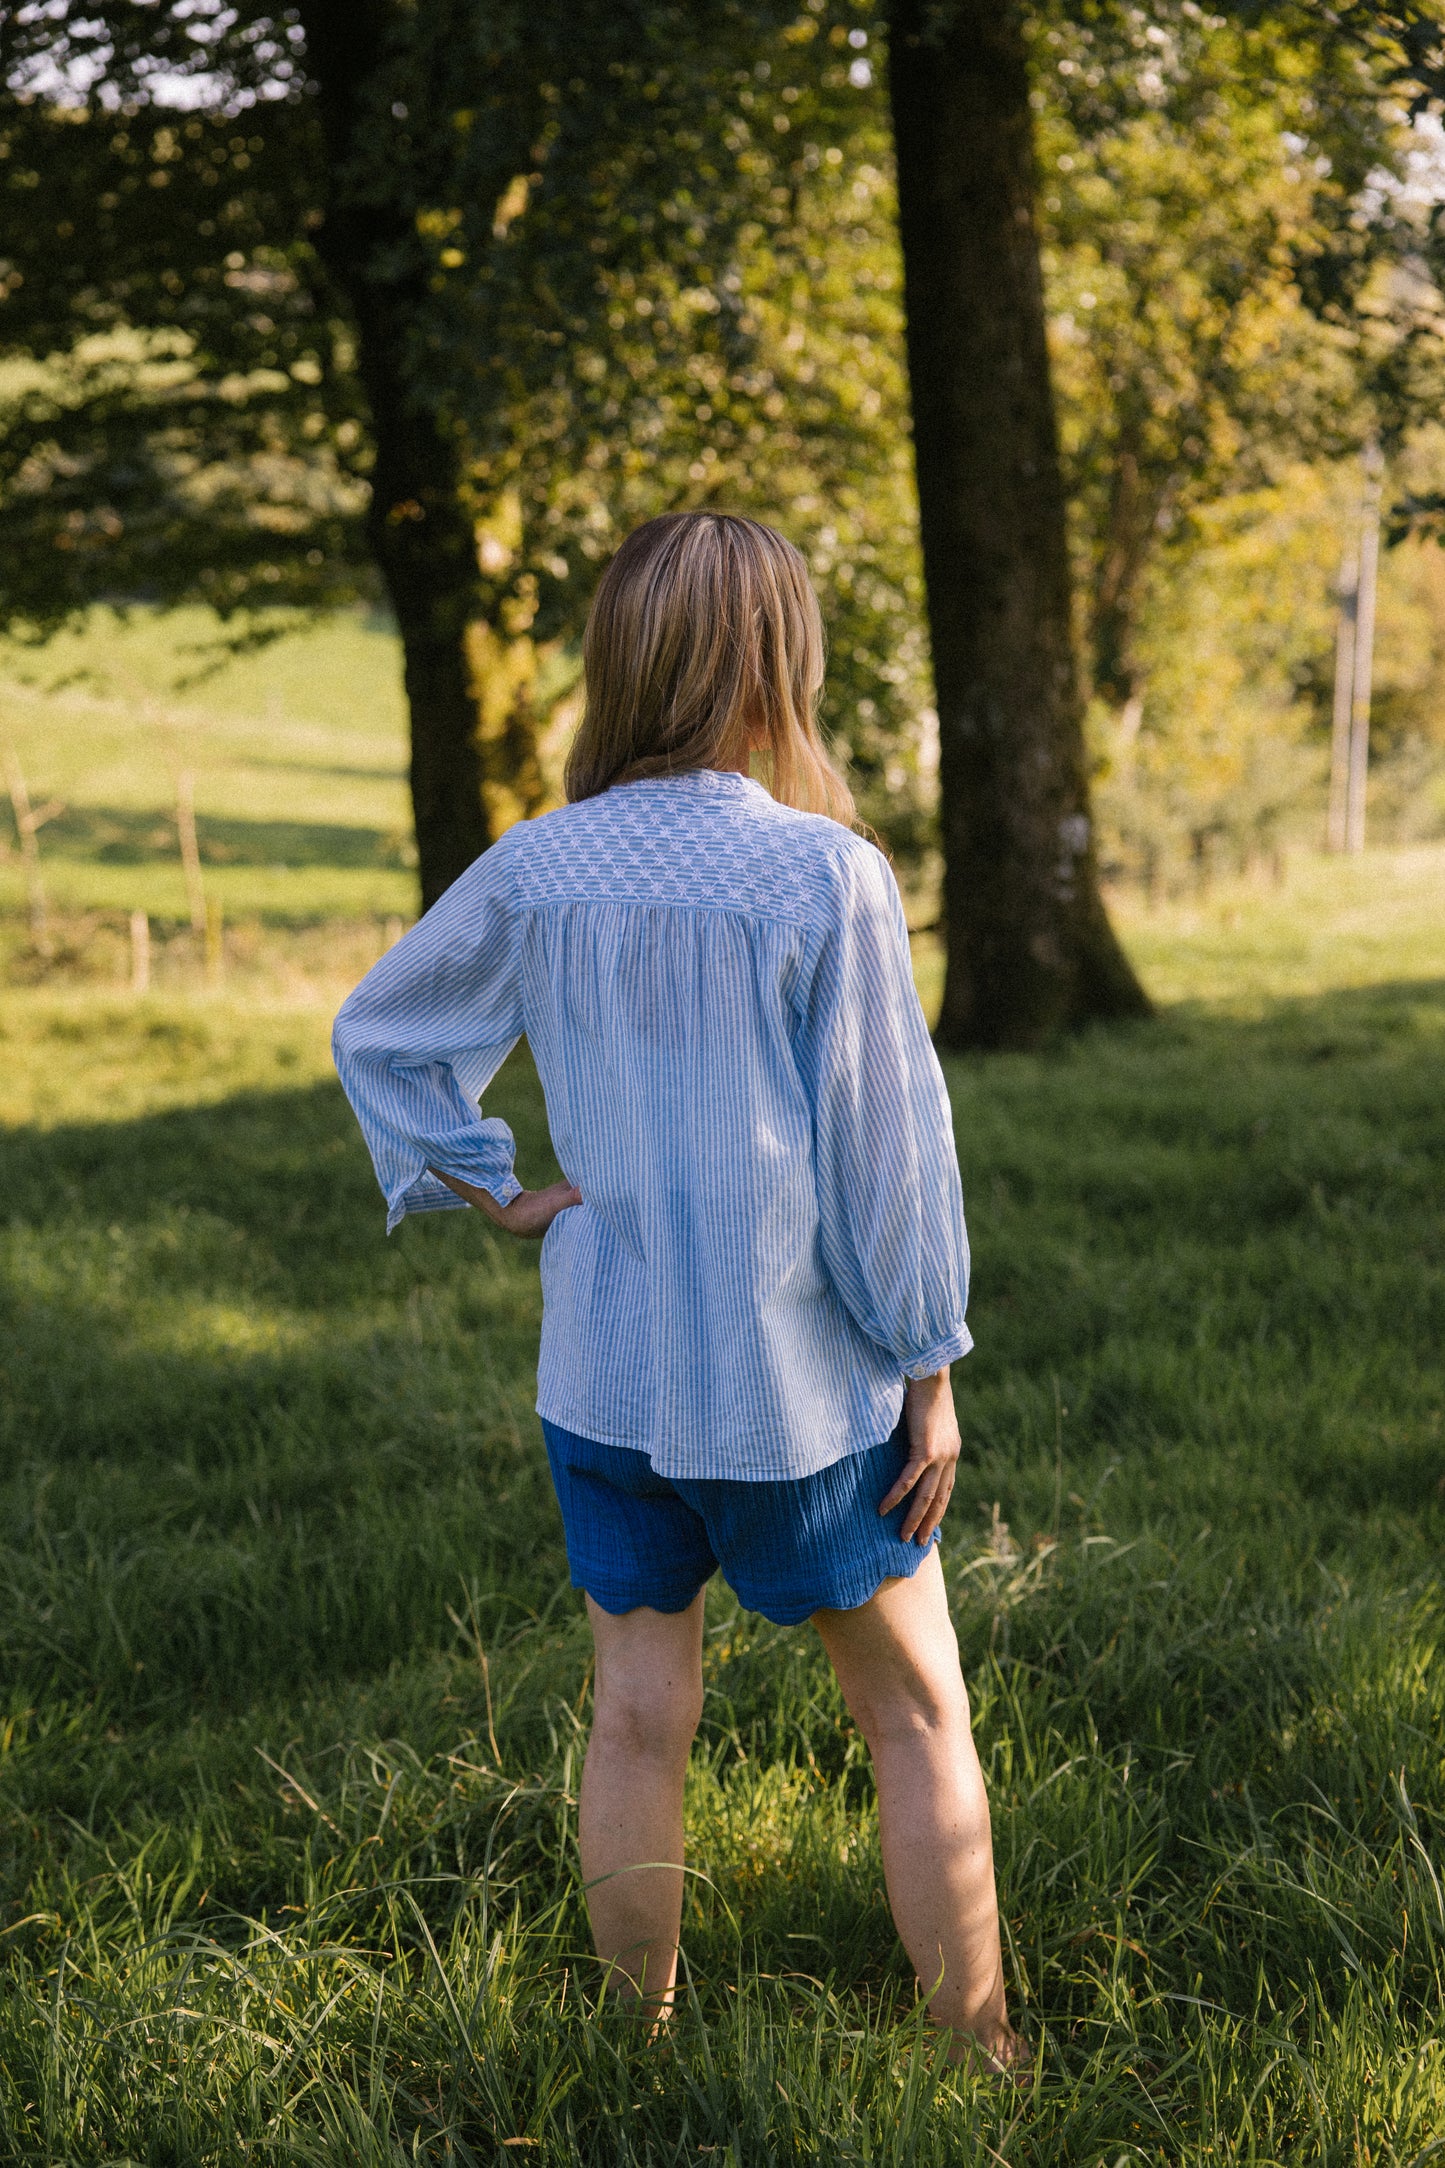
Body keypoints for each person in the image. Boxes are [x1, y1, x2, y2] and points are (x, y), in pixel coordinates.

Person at [332, 511, 1024, 2073]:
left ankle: (635, 2047)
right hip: (795, 1395)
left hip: (605, 1377)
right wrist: (928, 1364)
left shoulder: (538, 866)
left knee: (638, 1714)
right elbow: (887, 1150)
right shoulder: (817, 874)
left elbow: (382, 1033)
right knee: (914, 1718)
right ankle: (978, 2054)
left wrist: (497, 1191)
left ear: (620, 660)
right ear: (780, 657)